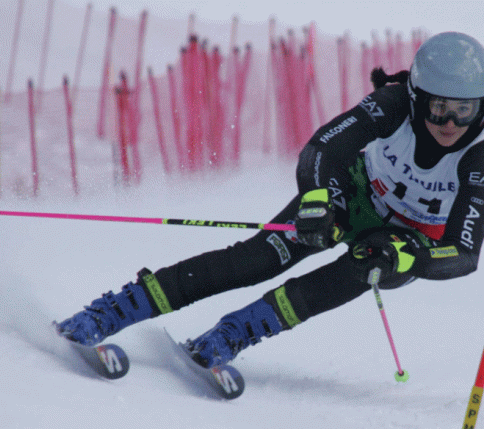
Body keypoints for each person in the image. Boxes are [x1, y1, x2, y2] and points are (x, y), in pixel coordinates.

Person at [56, 31, 484, 369]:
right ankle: (116, 309)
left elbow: (463, 253)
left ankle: (234, 334)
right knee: (257, 259)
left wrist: (407, 255)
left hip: (406, 240)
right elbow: (323, 150)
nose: (449, 122)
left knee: (357, 270)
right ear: (417, 98)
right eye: (439, 107)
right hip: (353, 194)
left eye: (464, 111)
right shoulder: (391, 106)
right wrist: (321, 201)